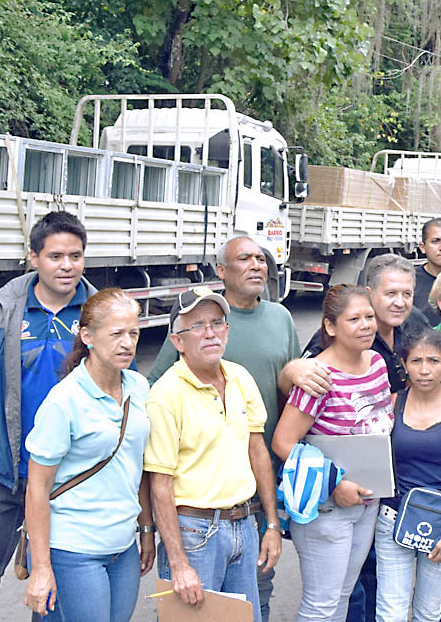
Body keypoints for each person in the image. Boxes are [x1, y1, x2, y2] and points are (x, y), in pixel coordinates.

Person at [0, 210, 93, 622]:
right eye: (56, 256)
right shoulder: (0, 308)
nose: (67, 266)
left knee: (59, 579)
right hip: (1, 471)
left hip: (68, 475)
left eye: (76, 256)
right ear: (33, 258)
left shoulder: (97, 314)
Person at [146, 236, 304, 622]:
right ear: (177, 341)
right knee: (190, 616)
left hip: (245, 517)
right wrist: (171, 552)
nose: (210, 333)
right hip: (196, 526)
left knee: (248, 611)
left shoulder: (241, 376)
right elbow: (160, 481)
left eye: (217, 323)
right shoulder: (168, 393)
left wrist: (270, 522)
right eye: (198, 326)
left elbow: (258, 451)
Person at [22, 289, 155, 620]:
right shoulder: (63, 401)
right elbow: (37, 488)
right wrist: (40, 569)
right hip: (74, 547)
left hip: (123, 546)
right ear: (88, 336)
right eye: (116, 334)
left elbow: (135, 463)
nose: (127, 343)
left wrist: (146, 528)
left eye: (133, 333)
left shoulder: (139, 387)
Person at [272, 285, 394, 622]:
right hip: (327, 507)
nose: (366, 325)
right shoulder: (318, 377)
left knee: (342, 594)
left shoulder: (377, 364)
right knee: (321, 605)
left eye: (369, 317)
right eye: (354, 319)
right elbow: (283, 442)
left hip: (368, 500)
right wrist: (334, 483)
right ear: (330, 327)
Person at [375, 328, 441, 622]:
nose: (424, 370)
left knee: (427, 614)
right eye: (416, 361)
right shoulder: (393, 404)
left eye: (433, 361)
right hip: (393, 521)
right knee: (390, 614)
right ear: (404, 364)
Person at [301, 253, 428, 394]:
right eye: (391, 293)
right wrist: (291, 370)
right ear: (369, 293)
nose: (400, 303)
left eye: (407, 294)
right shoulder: (344, 333)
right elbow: (302, 375)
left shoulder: (416, 322)